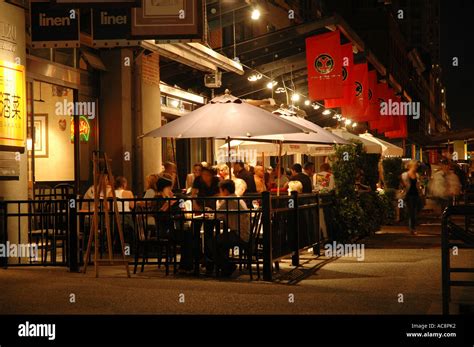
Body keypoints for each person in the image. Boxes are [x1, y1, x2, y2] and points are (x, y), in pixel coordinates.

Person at [214, 179, 251, 277]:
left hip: (239, 235)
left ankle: (227, 266)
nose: (220, 193)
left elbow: (216, 215)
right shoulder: (238, 199)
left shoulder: (228, 200)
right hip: (245, 233)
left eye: (221, 191)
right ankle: (225, 266)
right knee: (220, 240)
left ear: (225, 191)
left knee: (214, 242)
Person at [191, 166, 220, 273]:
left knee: (209, 233)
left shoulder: (217, 181)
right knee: (195, 232)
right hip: (199, 206)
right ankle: (198, 258)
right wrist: (195, 205)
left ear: (212, 175)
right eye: (203, 174)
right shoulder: (198, 180)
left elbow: (220, 194)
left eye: (207, 175)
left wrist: (212, 200)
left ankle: (210, 261)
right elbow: (193, 194)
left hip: (212, 208)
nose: (204, 176)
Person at [401, 161, 422, 235]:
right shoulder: (405, 175)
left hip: (415, 194)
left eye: (416, 166)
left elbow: (418, 185)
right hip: (408, 195)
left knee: (415, 211)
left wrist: (420, 192)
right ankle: (412, 228)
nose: (416, 167)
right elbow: (403, 185)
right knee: (411, 212)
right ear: (410, 166)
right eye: (415, 166)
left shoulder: (417, 175)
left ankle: (412, 227)